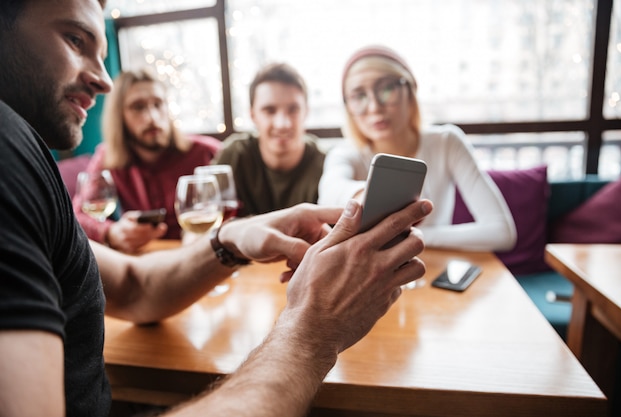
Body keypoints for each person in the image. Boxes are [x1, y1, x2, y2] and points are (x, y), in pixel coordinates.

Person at [0, 2, 433, 417]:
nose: (104, 80)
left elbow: (134, 287)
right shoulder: (9, 157)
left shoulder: (27, 156)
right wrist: (313, 329)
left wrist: (230, 239)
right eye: (75, 39)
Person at [318, 45, 516, 252]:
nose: (374, 107)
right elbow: (329, 194)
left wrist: (407, 236)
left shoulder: (446, 142)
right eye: (359, 96)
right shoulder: (344, 154)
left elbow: (501, 232)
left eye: (386, 89)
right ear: (347, 106)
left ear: (410, 90)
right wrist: (363, 194)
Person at [73, 68, 223, 253]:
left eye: (158, 104)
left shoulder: (207, 152)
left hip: (205, 255)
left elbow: (240, 208)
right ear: (120, 116)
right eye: (138, 107)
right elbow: (77, 214)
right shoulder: (107, 157)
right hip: (145, 261)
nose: (152, 117)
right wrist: (111, 232)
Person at [213, 62, 326, 216]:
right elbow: (197, 232)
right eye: (269, 111)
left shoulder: (326, 164)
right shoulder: (235, 155)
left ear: (306, 112)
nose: (282, 124)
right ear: (253, 115)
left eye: (293, 109)